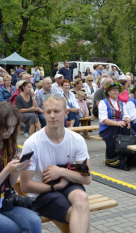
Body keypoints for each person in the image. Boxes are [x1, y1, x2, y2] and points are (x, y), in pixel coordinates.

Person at [20, 94, 91, 232]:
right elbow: (25, 186)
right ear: (44, 113)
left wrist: (62, 172)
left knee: (82, 198)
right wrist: (56, 187)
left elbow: (87, 178)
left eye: (56, 111)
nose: (52, 115)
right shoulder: (32, 143)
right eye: (48, 111)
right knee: (79, 214)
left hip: (66, 183)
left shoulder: (77, 140)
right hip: (41, 193)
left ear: (65, 113)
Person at [0, 102, 42, 233]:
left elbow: (9, 183)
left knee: (35, 221)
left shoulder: (7, 144)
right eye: (6, 127)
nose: (11, 131)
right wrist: (7, 170)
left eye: (14, 126)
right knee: (14, 230)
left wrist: (18, 168)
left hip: (4, 200)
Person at [98, 81, 136, 170]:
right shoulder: (103, 102)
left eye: (117, 90)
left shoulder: (122, 103)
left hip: (120, 126)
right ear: (108, 92)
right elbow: (103, 119)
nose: (116, 92)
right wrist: (117, 123)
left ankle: (131, 159)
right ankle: (115, 162)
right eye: (113, 90)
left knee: (125, 129)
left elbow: (126, 116)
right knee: (119, 135)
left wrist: (127, 121)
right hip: (107, 128)